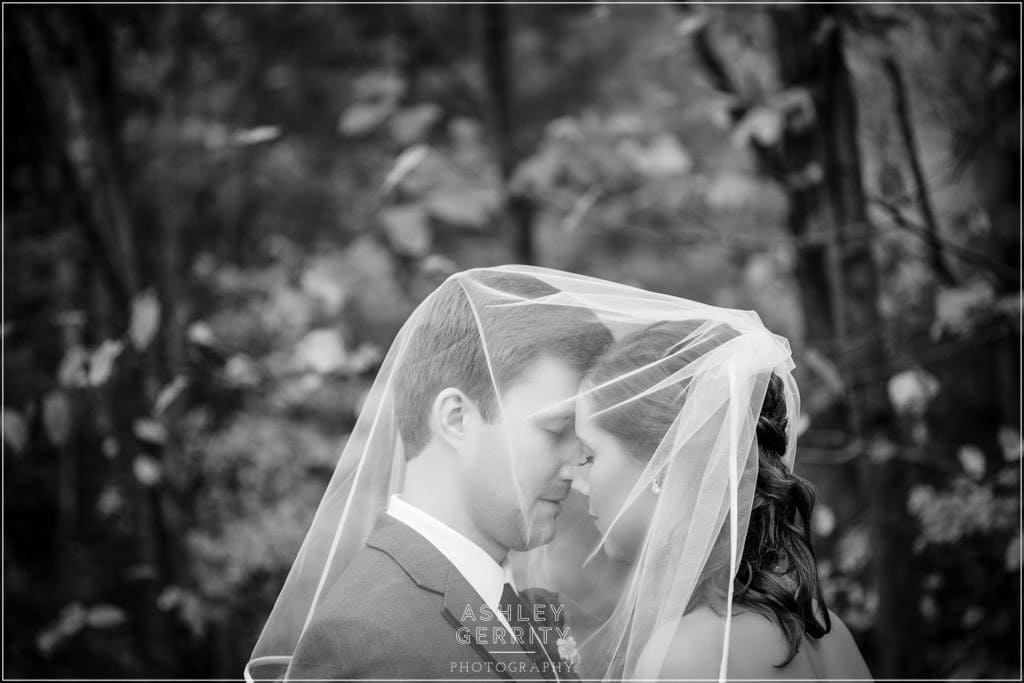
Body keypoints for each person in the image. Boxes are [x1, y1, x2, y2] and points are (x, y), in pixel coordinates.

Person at [246, 268, 612, 681]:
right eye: (556, 430)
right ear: (456, 419)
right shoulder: (364, 637)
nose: (578, 463)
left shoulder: (518, 605)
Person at [573, 319, 873, 681]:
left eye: (589, 457)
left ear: (663, 463)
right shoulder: (829, 632)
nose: (579, 483)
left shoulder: (684, 656)